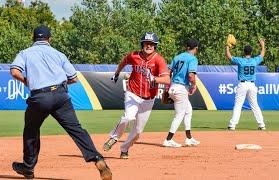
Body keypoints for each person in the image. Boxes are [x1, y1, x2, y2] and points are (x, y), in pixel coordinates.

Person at [10, 25, 112, 180]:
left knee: (31, 130)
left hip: (40, 97)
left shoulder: (25, 53)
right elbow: (73, 78)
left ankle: (28, 168)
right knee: (76, 130)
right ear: (49, 39)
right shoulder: (59, 54)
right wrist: (58, 85)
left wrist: (26, 81)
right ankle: (97, 158)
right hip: (60, 96)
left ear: (33, 38)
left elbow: (14, 71)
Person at [103, 32, 170, 159]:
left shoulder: (158, 60)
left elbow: (167, 80)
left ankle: (125, 149)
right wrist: (117, 73)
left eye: (151, 44)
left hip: (148, 99)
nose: (149, 46)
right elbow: (124, 62)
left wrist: (154, 79)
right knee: (128, 117)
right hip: (132, 94)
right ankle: (114, 138)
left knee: (138, 132)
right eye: (146, 43)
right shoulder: (134, 56)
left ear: (155, 46)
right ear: (142, 44)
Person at [162, 39, 200, 148]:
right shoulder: (193, 59)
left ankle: (189, 138)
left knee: (188, 111)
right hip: (181, 89)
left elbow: (168, 72)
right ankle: (168, 139)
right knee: (179, 115)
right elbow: (191, 76)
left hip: (174, 87)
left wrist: (167, 86)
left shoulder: (177, 57)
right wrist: (193, 86)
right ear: (196, 48)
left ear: (186, 47)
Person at [226, 39, 266, 131]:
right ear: (251, 52)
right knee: (255, 105)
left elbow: (229, 57)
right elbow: (262, 54)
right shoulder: (254, 60)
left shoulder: (241, 60)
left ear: (244, 52)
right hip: (252, 85)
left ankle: (232, 125)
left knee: (238, 105)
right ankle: (262, 124)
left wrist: (227, 46)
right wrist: (262, 45)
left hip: (242, 84)